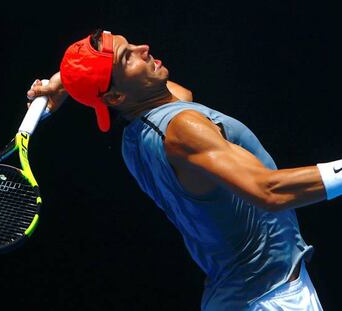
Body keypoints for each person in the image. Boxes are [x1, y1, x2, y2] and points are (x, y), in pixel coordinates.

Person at [26, 29, 334, 310]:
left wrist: (67, 81)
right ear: (116, 97)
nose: (143, 48)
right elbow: (269, 191)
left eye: (130, 44)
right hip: (271, 300)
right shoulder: (183, 130)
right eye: (127, 56)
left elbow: (180, 95)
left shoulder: (137, 134)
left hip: (250, 294)